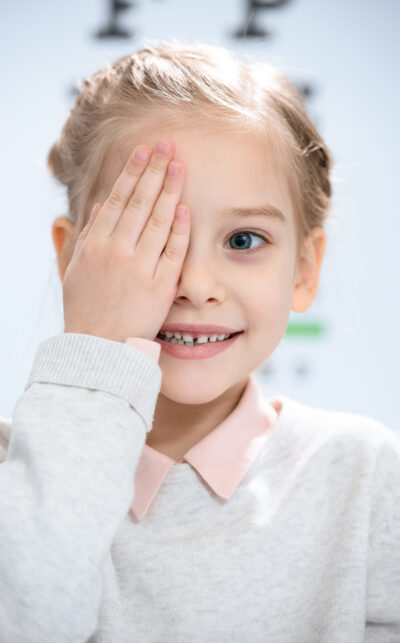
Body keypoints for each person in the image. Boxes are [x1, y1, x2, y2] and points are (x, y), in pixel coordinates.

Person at [0, 39, 398, 643]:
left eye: (243, 240)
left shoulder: (362, 475)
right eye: (148, 236)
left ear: (305, 269)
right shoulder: (16, 473)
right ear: (71, 257)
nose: (195, 285)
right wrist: (95, 352)